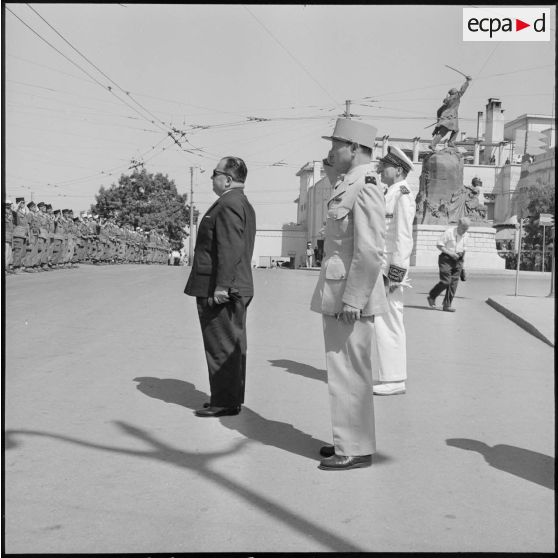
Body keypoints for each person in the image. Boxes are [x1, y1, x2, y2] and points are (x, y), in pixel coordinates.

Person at [310, 118, 387, 471]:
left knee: (350, 372)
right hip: (341, 293)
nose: (331, 152)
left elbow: (369, 250)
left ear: (354, 148)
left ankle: (355, 447)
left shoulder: (365, 184)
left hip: (350, 298)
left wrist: (354, 299)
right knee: (343, 371)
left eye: (336, 145)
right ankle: (348, 439)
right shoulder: (350, 181)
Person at [184, 156, 256, 418]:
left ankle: (225, 402)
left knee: (221, 345)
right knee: (231, 344)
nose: (211, 178)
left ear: (227, 179)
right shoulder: (239, 202)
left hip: (222, 287)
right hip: (233, 285)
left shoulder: (228, 204)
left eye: (215, 173)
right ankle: (228, 398)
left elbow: (229, 248)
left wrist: (222, 286)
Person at [372, 145, 416, 396]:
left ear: (398, 170)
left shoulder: (403, 196)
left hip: (390, 271)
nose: (381, 169)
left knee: (389, 322)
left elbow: (403, 239)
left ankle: (395, 379)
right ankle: (390, 376)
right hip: (381, 267)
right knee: (382, 321)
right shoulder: (390, 193)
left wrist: (394, 277)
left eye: (386, 166)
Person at [427, 217, 471, 312]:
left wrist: (462, 267)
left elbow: (464, 250)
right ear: (458, 225)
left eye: (466, 228)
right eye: (463, 228)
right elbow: (439, 245)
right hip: (446, 259)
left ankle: (447, 305)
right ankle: (432, 296)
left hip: (458, 260)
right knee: (446, 281)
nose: (464, 231)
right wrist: (450, 253)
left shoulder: (466, 235)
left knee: (453, 284)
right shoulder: (449, 232)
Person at [430, 76, 472, 150]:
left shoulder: (446, 102)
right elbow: (462, 90)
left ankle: (441, 143)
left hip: (444, 119)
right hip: (451, 118)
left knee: (452, 130)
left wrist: (439, 120)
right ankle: (444, 143)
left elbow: (438, 111)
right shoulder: (455, 97)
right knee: (449, 131)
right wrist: (467, 81)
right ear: (455, 93)